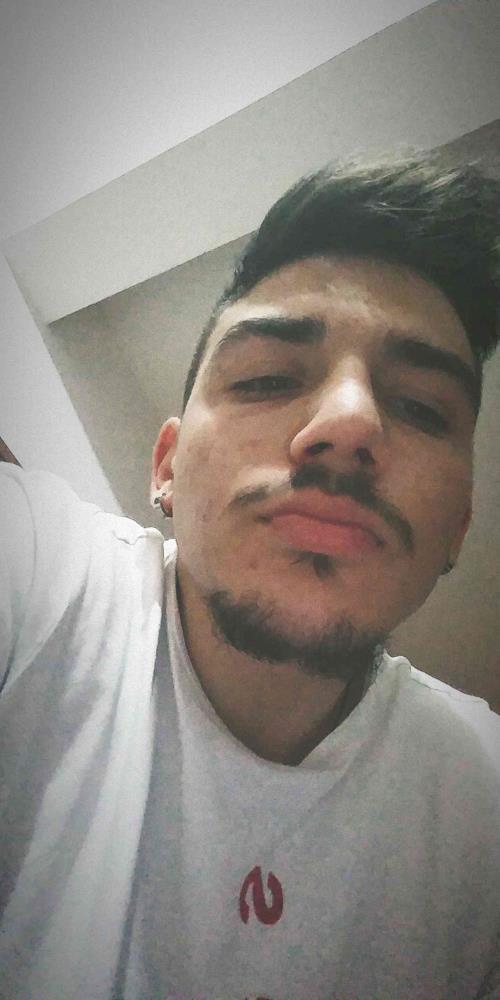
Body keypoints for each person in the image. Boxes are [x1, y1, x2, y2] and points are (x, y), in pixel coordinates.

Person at [1, 155, 499, 1000]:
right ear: (165, 466)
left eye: (420, 406)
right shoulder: (39, 571)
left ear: (458, 526)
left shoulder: (484, 806)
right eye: (267, 378)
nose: (350, 421)